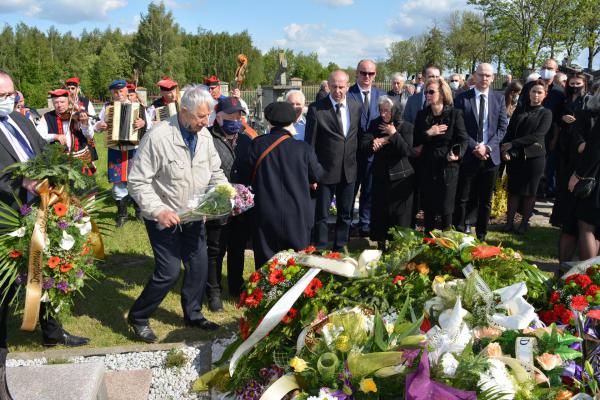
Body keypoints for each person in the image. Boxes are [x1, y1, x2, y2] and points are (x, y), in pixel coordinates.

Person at [0, 70, 89, 400]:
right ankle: (2, 350)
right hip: (7, 215)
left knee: (49, 270)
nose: (8, 100)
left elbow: (42, 151)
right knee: (9, 285)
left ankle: (52, 334)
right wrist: (18, 183)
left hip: (43, 207)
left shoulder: (21, 121)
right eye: (2, 96)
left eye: (11, 93)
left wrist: (56, 175)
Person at [127, 85, 227, 343]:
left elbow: (215, 173)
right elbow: (137, 181)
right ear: (184, 112)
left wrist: (222, 195)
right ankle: (138, 316)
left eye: (208, 116)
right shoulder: (158, 137)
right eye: (201, 117)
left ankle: (193, 314)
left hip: (194, 216)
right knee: (169, 271)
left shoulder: (204, 137)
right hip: (164, 216)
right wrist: (158, 210)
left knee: (199, 266)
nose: (207, 122)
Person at [242, 101, 323, 267]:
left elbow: (245, 174)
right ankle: (292, 290)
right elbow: (317, 174)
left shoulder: (257, 144)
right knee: (297, 261)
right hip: (298, 212)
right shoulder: (303, 148)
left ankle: (265, 291)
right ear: (292, 122)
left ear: (269, 121)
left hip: (265, 210)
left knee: (266, 259)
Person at [205, 97, 254, 311]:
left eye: (239, 115)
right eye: (232, 115)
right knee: (215, 249)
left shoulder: (245, 140)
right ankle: (213, 291)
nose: (237, 119)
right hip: (217, 203)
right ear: (219, 117)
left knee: (238, 247)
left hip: (241, 206)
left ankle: (235, 285)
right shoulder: (206, 138)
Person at [305, 70, 360, 252]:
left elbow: (356, 137)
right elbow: (310, 145)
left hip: (349, 170)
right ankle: (320, 249)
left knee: (345, 214)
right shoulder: (316, 109)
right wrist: (312, 174)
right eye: (334, 86)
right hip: (324, 171)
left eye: (341, 87)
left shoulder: (355, 106)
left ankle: (340, 249)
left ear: (348, 85)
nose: (338, 91)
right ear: (329, 85)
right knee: (321, 215)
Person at [453, 63, 508, 241]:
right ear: (474, 76)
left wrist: (488, 147)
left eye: (488, 75)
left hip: (490, 158)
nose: (484, 78)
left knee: (486, 200)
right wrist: (475, 146)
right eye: (481, 75)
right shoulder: (462, 98)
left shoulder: (499, 99)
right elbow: (459, 128)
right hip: (469, 155)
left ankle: (482, 235)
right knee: (463, 197)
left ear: (492, 78)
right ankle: (460, 232)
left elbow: (502, 128)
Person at [413, 77, 469, 233]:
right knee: (428, 207)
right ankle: (428, 239)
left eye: (431, 92)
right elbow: (415, 139)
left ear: (442, 94)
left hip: (447, 166)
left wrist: (457, 155)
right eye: (426, 92)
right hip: (428, 165)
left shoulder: (454, 114)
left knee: (446, 208)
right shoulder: (422, 114)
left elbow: (463, 139)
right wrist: (429, 133)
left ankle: (446, 241)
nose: (428, 95)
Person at [94, 79, 150, 227]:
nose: (119, 94)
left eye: (121, 91)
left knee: (137, 180)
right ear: (112, 93)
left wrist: (143, 124)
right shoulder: (107, 108)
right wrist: (100, 125)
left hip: (134, 150)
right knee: (118, 181)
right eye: (115, 92)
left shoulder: (139, 108)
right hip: (115, 150)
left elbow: (149, 125)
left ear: (127, 91)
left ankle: (139, 212)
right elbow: (96, 126)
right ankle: (122, 214)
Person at [360, 95, 414, 248]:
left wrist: (393, 134)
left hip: (401, 176)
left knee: (399, 215)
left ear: (395, 110)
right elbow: (364, 144)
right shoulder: (375, 124)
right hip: (381, 175)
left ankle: (399, 245)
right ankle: (381, 244)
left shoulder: (406, 126)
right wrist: (373, 142)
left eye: (387, 111)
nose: (383, 114)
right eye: (381, 110)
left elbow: (406, 150)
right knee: (380, 212)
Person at [501, 80, 553, 234]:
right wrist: (505, 148)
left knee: (530, 192)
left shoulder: (546, 113)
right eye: (533, 91)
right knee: (513, 190)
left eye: (539, 92)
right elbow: (509, 131)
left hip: (534, 157)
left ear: (544, 95)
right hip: (515, 156)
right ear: (528, 93)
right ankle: (509, 223)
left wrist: (513, 144)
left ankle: (524, 223)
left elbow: (538, 135)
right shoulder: (520, 110)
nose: (535, 95)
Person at [551, 73, 591, 262]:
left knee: (584, 225)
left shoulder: (588, 103)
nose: (575, 86)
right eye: (572, 84)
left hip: (582, 160)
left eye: (579, 84)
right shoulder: (565, 99)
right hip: (566, 149)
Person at [347, 59, 386, 237]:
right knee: (350, 191)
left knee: (369, 191)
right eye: (363, 73)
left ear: (375, 74)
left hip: (374, 152)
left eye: (370, 73)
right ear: (357, 73)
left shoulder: (382, 95)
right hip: (352, 153)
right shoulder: (348, 93)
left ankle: (365, 224)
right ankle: (346, 225)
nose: (367, 77)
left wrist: (381, 140)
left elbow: (388, 122)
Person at [517, 59, 566, 198]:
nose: (546, 69)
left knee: (540, 169)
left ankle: (536, 196)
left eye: (550, 68)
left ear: (556, 71)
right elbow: (520, 109)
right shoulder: (529, 87)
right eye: (544, 67)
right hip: (526, 133)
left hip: (547, 137)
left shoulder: (559, 93)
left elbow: (558, 120)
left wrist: (554, 139)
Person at [568, 87, 600, 260]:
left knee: (586, 227)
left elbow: (594, 150)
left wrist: (579, 175)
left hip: (595, 177)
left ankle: (588, 278)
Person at [36, 89, 96, 174]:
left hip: (81, 158)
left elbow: (89, 135)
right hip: (59, 162)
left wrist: (85, 124)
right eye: (56, 102)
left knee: (85, 185)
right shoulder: (47, 117)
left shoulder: (77, 114)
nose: (59, 105)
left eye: (62, 102)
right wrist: (55, 136)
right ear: (53, 103)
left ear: (68, 102)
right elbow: (38, 136)